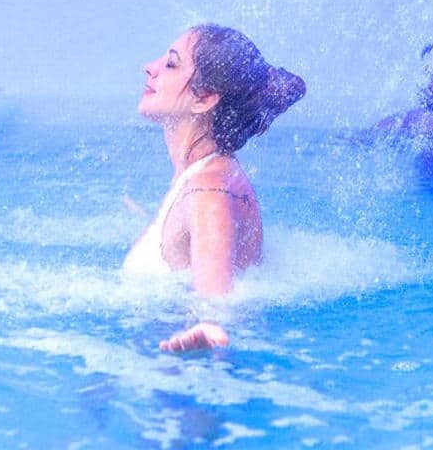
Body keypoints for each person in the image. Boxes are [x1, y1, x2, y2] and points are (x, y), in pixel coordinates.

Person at [123, 24, 306, 352]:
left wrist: (210, 326)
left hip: (180, 371)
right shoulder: (200, 176)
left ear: (204, 99)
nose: (150, 68)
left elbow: (217, 303)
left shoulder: (209, 193)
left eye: (171, 64)